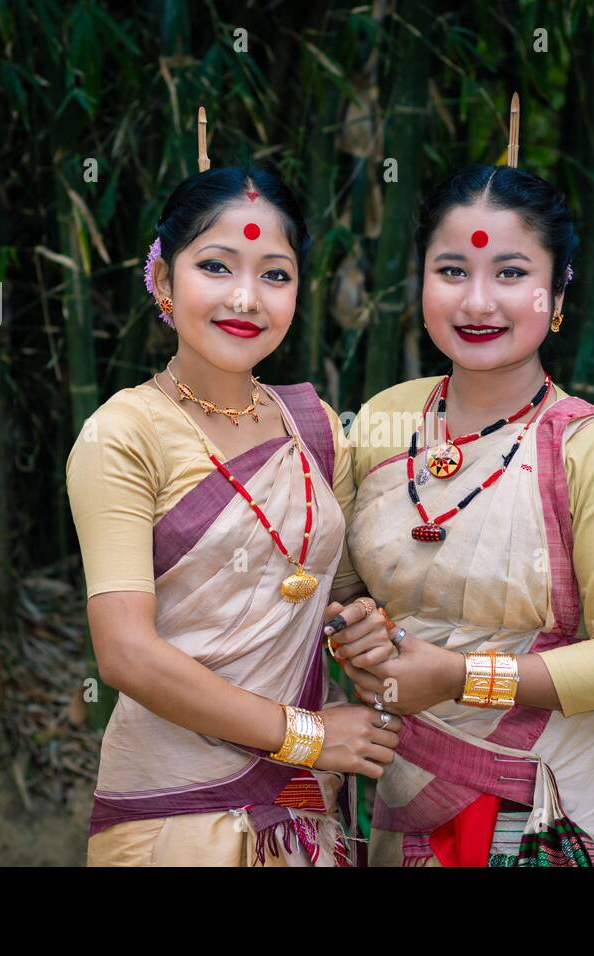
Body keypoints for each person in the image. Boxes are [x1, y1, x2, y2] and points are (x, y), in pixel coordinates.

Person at [328, 96, 594, 866]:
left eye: (511, 273)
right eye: (452, 270)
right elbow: (347, 585)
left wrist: (457, 676)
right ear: (420, 281)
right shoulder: (383, 419)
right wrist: (352, 634)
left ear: (556, 293)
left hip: (549, 808)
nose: (477, 301)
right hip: (401, 789)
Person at [67, 111, 399, 866]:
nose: (245, 298)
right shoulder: (123, 435)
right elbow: (125, 654)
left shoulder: (314, 426)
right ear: (162, 277)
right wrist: (309, 733)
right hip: (173, 814)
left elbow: (339, 599)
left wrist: (365, 630)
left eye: (274, 275)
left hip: (303, 813)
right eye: (215, 266)